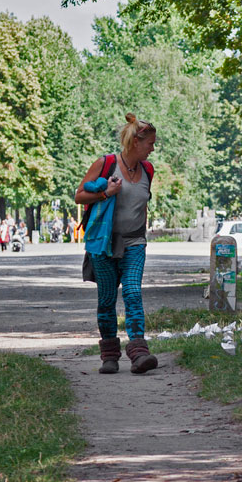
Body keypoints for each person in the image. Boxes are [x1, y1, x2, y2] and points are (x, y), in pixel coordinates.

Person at [75, 113, 159, 375]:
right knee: (107, 299)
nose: (153, 148)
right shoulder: (106, 163)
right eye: (150, 143)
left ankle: (138, 353)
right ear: (136, 142)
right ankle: (109, 356)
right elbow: (79, 196)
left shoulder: (148, 170)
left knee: (133, 293)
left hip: (134, 242)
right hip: (103, 243)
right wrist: (105, 193)